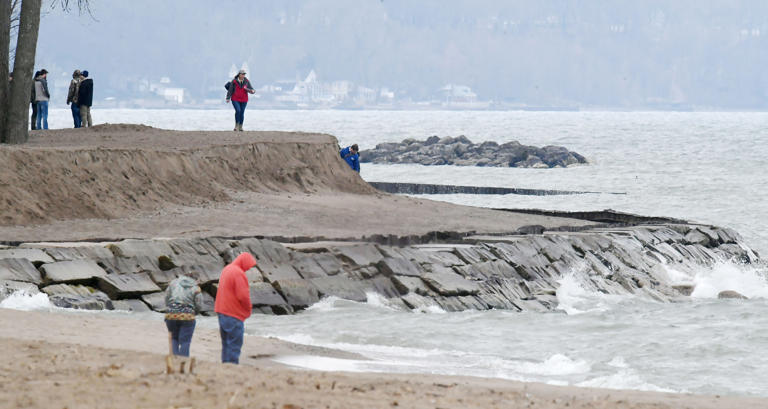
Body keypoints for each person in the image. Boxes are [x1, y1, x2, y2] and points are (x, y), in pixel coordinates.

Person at [214, 252, 256, 364]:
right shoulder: (238, 273)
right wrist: (248, 310)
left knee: (226, 344)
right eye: (248, 266)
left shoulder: (227, 269)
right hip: (233, 314)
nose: (247, 269)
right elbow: (243, 296)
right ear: (244, 263)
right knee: (234, 345)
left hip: (221, 311)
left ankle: (226, 366)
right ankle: (231, 366)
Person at [164, 273, 204, 357]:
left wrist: (169, 308)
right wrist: (194, 312)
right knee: (185, 341)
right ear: (196, 279)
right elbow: (199, 304)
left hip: (171, 314)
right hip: (187, 316)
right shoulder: (196, 288)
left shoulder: (173, 283)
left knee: (174, 338)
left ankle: (174, 359)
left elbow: (166, 297)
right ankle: (183, 360)